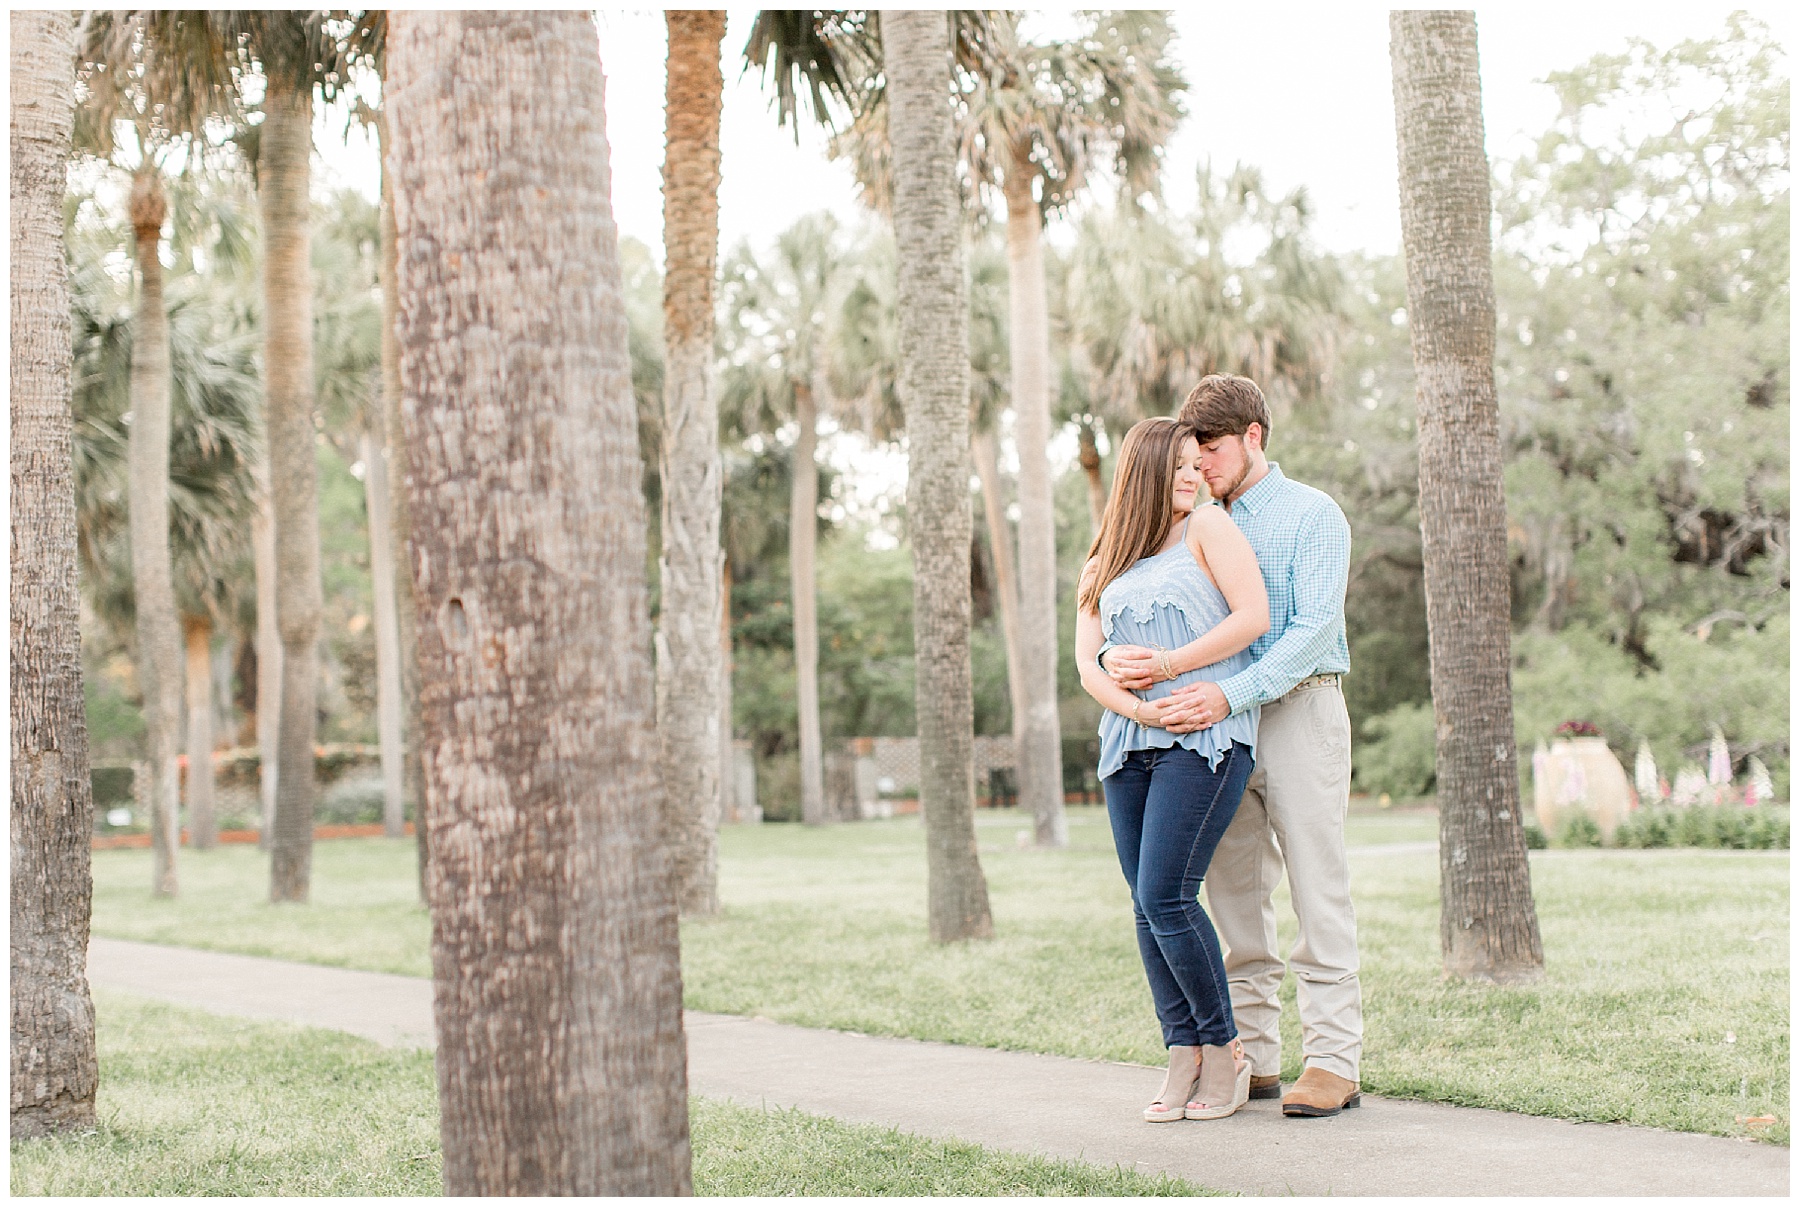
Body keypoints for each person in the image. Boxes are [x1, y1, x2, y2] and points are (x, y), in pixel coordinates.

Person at [1104, 373, 1361, 1118]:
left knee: (1319, 886)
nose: (1199, 465)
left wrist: (1230, 691)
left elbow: (1312, 628)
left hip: (1299, 711)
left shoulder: (1313, 514)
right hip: (1213, 733)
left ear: (1253, 435)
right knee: (1235, 896)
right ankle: (1254, 1054)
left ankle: (1335, 1061)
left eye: (1210, 449)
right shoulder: (1187, 522)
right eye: (1191, 453)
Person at [1074, 416, 1270, 1123]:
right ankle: (1181, 1049)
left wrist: (1167, 668)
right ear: (1145, 471)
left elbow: (1253, 617)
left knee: (1166, 894)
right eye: (1179, 466)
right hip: (1129, 743)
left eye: (1197, 464)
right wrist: (1134, 699)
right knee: (1144, 903)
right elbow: (1086, 661)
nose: (1193, 476)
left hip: (1207, 737)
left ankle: (1226, 1048)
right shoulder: (1106, 557)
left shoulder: (1210, 528)